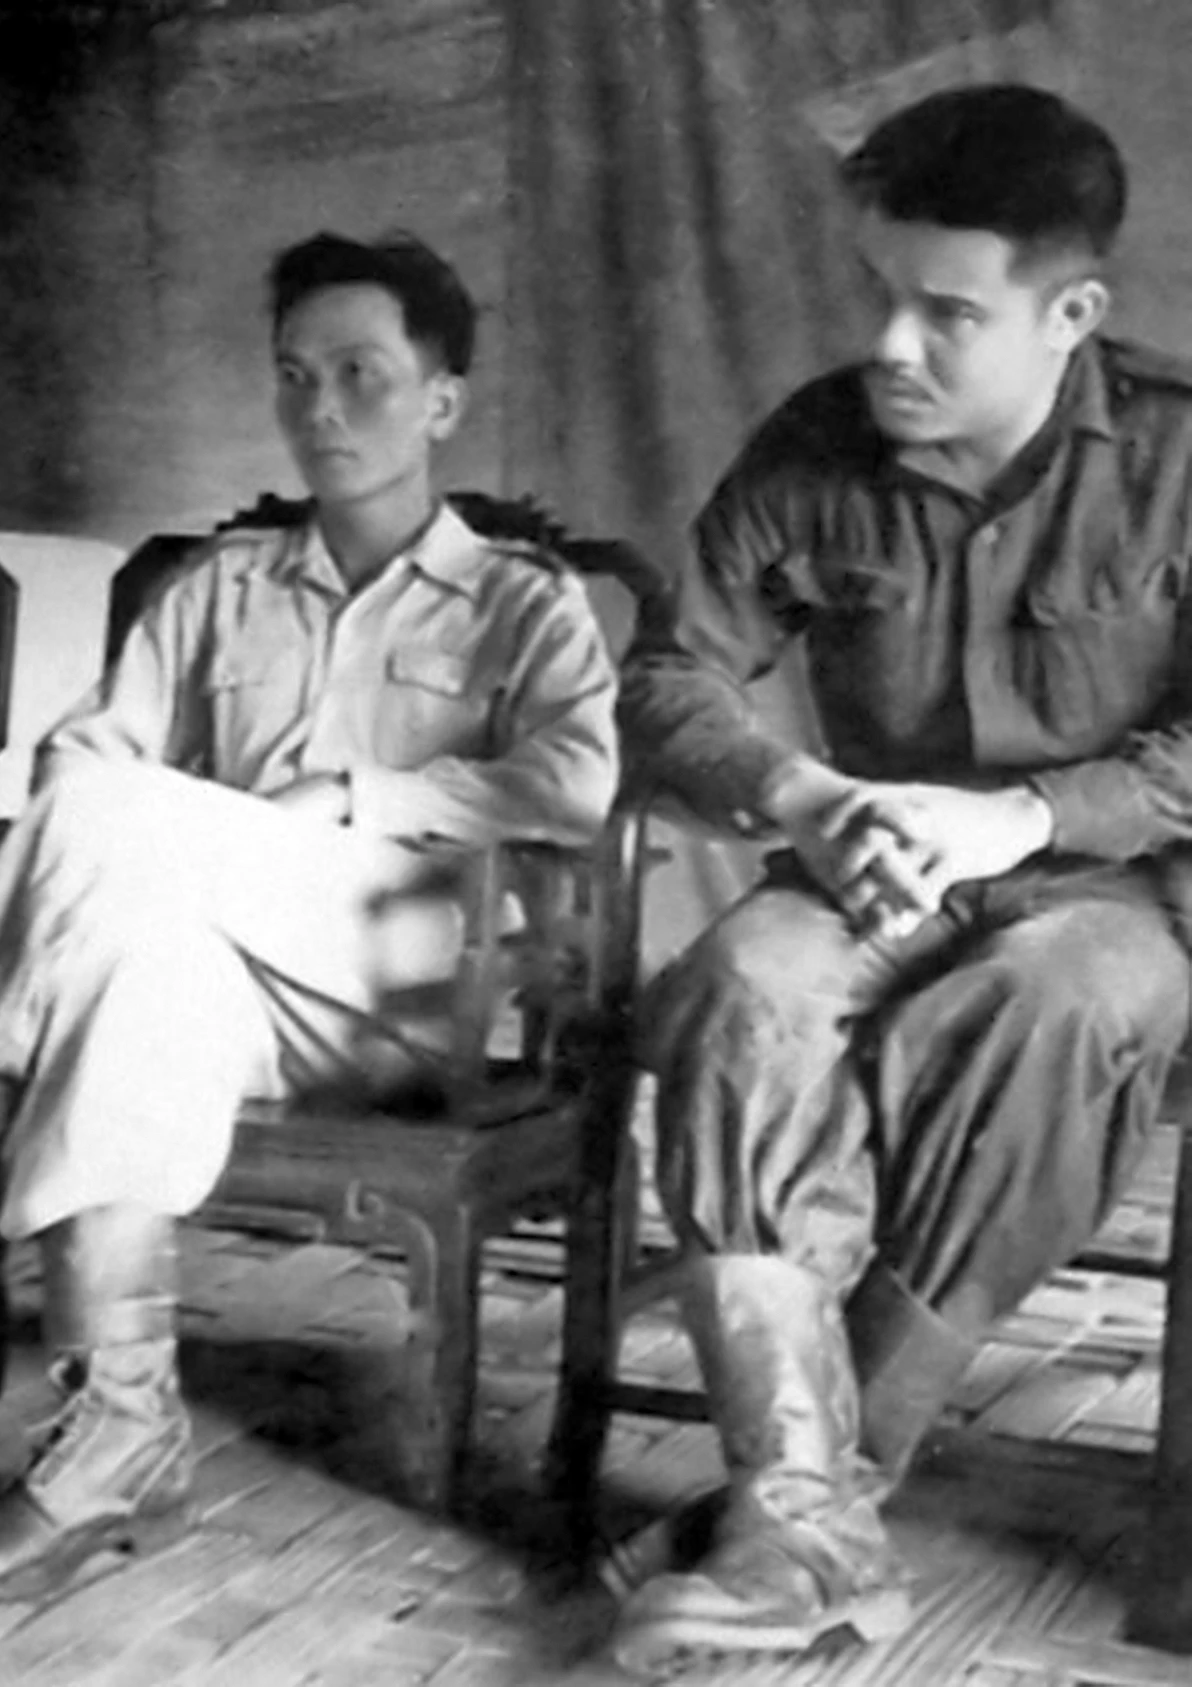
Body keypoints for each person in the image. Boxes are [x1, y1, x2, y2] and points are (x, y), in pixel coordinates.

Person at [611, 82, 1192, 1668]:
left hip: (1107, 894)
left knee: (1062, 1002)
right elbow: (667, 677)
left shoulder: (1179, 455)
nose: (892, 345)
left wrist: (1023, 820)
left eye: (949, 312)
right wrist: (795, 791)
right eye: (881, 292)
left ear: (1073, 314)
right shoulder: (818, 440)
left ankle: (799, 1499)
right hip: (862, 869)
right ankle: (810, 1522)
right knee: (737, 984)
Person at [0, 230, 618, 1601]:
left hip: (401, 986)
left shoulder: (520, 600)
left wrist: (358, 795)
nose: (322, 409)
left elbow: (574, 785)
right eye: (296, 376)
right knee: (138, 956)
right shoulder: (220, 587)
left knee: (119, 825)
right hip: (231, 973)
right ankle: (120, 1435)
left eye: (362, 375)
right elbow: (86, 763)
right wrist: (194, 837)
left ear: (441, 400)